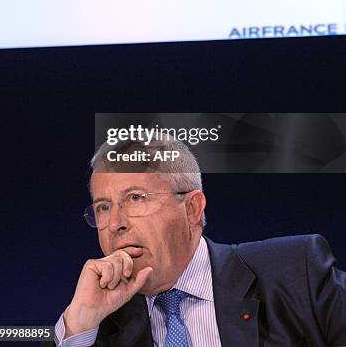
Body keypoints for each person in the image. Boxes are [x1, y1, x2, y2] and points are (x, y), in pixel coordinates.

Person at [49, 138, 346, 347]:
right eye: (103, 206)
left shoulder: (295, 273)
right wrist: (80, 323)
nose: (115, 223)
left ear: (192, 208)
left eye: (135, 198)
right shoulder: (98, 326)